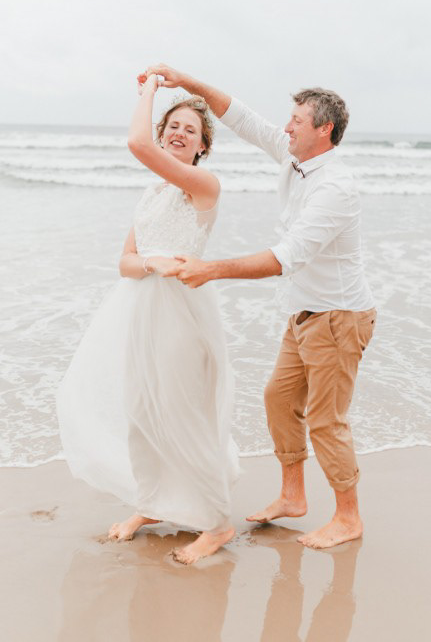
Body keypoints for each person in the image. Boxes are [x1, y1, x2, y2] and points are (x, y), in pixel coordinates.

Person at [143, 63, 376, 550]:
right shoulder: (295, 157)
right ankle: (293, 496)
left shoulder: (335, 187)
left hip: (338, 317)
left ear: (324, 130)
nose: (286, 127)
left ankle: (349, 517)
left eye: (296, 120)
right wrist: (187, 82)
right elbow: (243, 118)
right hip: (305, 312)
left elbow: (286, 257)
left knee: (326, 420)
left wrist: (210, 269)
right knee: (278, 400)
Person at [56, 72, 238, 564]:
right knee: (142, 410)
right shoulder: (151, 193)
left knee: (181, 412)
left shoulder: (204, 186)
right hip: (140, 309)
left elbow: (137, 142)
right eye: (172, 126)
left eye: (190, 131)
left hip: (182, 313)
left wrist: (150, 90)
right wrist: (152, 264)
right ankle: (152, 503)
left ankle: (217, 523)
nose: (180, 133)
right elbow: (125, 262)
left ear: (202, 147)